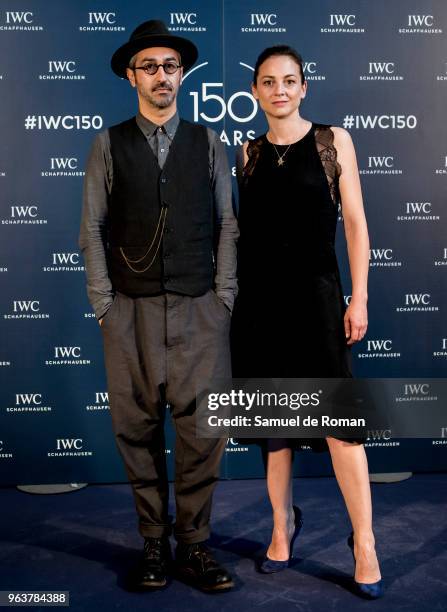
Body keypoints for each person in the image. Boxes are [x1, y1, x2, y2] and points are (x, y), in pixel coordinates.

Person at [79, 19, 238, 593]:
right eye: (150, 67)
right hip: (130, 313)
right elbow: (91, 229)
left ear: (181, 75)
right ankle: (152, 543)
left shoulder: (209, 143)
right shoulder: (107, 144)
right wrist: (104, 303)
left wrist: (224, 299)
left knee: (202, 434)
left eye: (171, 66)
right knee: (137, 430)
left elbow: (227, 226)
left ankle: (194, 547)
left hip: (201, 311)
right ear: (131, 76)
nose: (162, 76)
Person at [231, 45, 383, 599]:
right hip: (261, 307)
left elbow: (357, 223)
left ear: (304, 87)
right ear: (255, 93)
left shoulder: (332, 140)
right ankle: (281, 526)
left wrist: (359, 297)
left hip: (318, 300)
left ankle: (364, 542)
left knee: (341, 427)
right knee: (276, 428)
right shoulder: (247, 153)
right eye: (268, 82)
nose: (279, 90)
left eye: (289, 80)